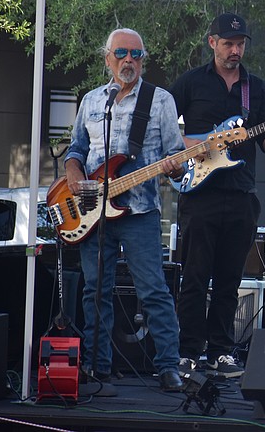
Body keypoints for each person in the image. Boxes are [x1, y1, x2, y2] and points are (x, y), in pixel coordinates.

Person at [64, 28, 185, 394]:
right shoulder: (92, 101)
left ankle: (168, 366)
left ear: (143, 59)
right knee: (94, 290)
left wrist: (176, 166)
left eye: (136, 54)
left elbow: (175, 155)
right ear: (107, 59)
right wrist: (72, 173)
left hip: (140, 211)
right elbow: (76, 149)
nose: (129, 60)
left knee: (153, 290)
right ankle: (96, 366)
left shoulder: (160, 100)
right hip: (90, 211)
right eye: (121, 53)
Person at [171, 13, 265, 378]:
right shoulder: (190, 83)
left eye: (240, 44)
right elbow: (165, 134)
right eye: (228, 44)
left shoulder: (257, 88)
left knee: (229, 280)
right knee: (193, 276)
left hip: (240, 194)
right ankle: (188, 350)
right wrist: (199, 144)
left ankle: (220, 352)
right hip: (199, 193)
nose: (235, 50)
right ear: (212, 43)